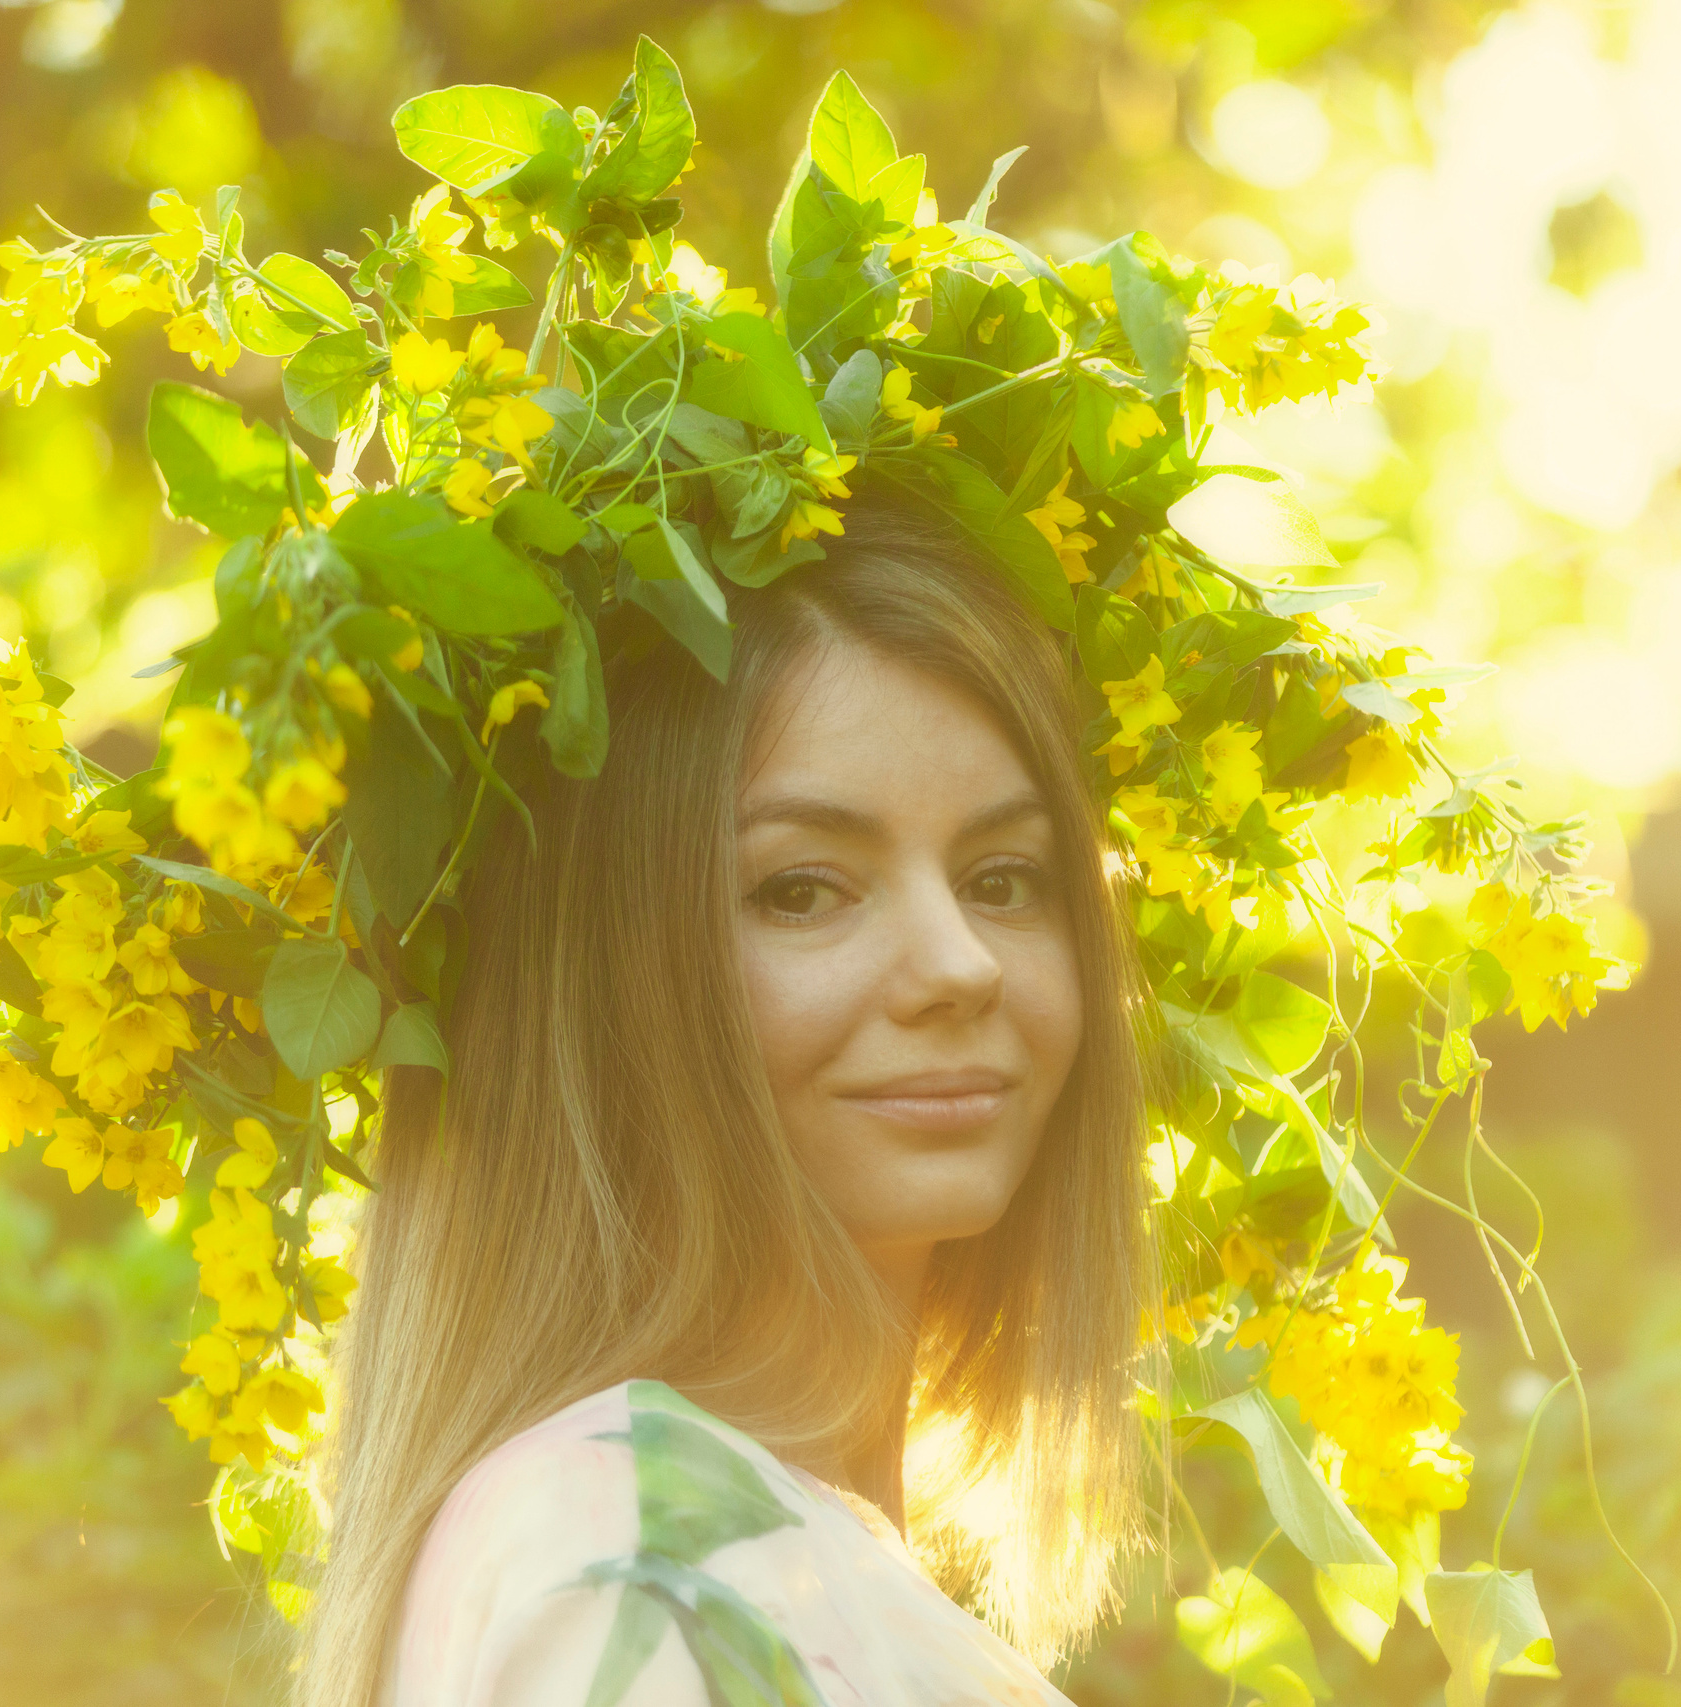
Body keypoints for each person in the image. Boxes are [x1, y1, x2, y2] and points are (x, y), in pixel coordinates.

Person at [306, 503, 1157, 1706]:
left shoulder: (740, 1541)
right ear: (604, 981)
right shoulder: (635, 1554)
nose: (960, 964)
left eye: (1003, 879)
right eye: (803, 889)